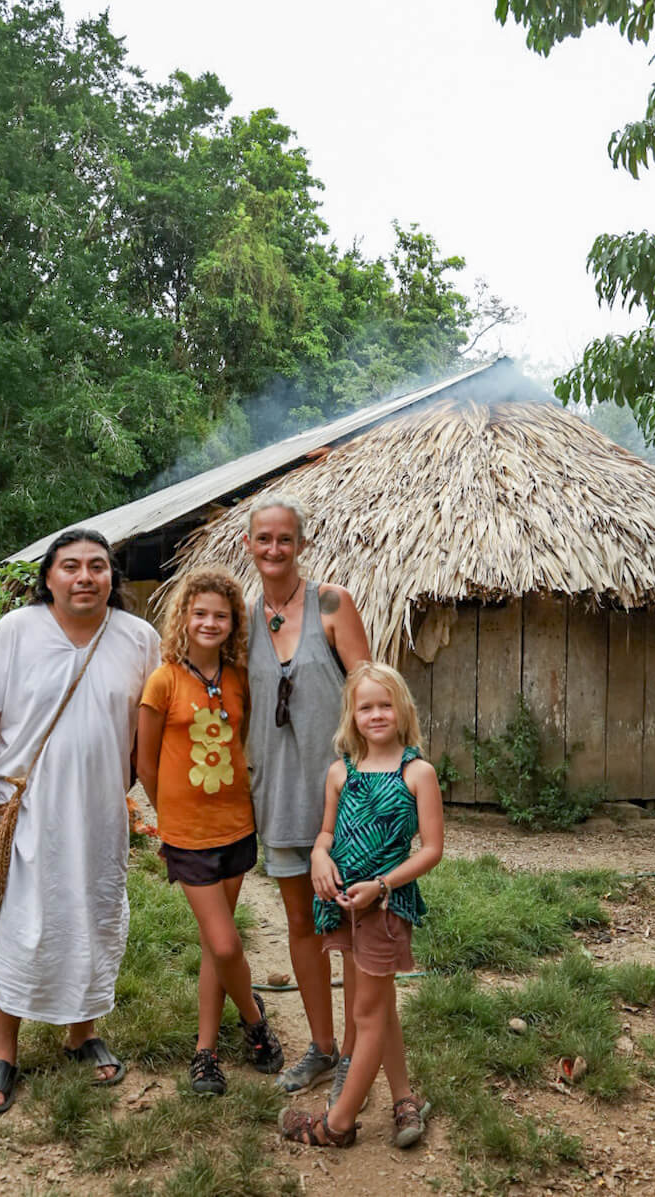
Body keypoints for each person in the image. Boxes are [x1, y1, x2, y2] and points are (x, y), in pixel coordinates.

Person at [0, 529, 160, 1114]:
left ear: (111, 579)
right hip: (26, 810)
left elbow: (149, 728)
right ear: (48, 578)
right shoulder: (16, 632)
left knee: (94, 913)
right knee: (23, 921)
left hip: (101, 810)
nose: (84, 577)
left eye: (97, 566)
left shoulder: (138, 638)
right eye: (70, 566)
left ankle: (82, 1032)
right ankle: (4, 1048)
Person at [279, 661, 443, 1149]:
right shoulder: (340, 771)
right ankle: (404, 1097)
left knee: (366, 1014)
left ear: (403, 710)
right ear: (352, 715)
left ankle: (337, 1124)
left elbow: (431, 849)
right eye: (365, 706)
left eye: (385, 704)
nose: (376, 715)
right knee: (377, 1004)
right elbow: (326, 832)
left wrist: (382, 885)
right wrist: (318, 855)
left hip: (384, 907)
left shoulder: (418, 773)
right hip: (341, 903)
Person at [136, 566, 283, 1095]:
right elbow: (146, 761)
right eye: (200, 613)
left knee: (212, 945)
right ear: (183, 616)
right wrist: (167, 820)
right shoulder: (164, 680)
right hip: (188, 835)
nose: (210, 622)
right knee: (224, 943)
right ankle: (252, 1018)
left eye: (220, 615)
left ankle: (205, 1052)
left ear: (232, 622)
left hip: (237, 827)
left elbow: (248, 743)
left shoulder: (239, 676)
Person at [244, 491, 371, 1096]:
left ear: (301, 544)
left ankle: (353, 1051)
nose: (274, 548)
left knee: (347, 926)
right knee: (300, 923)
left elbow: (372, 698)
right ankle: (320, 1047)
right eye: (263, 539)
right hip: (279, 796)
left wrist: (377, 781)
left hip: (344, 800)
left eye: (285, 539)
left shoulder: (331, 604)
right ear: (250, 545)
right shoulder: (242, 620)